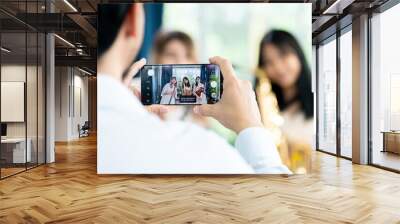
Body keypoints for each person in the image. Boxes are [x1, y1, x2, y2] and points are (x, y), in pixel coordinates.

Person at [97, 4, 291, 174]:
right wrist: (250, 125)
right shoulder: (201, 145)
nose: (180, 62)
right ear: (134, 18)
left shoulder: (202, 123)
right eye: (171, 55)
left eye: (187, 55)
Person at [257, 30, 314, 146]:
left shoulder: (318, 99)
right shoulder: (265, 104)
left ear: (298, 54)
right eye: (268, 62)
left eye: (283, 55)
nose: (278, 67)